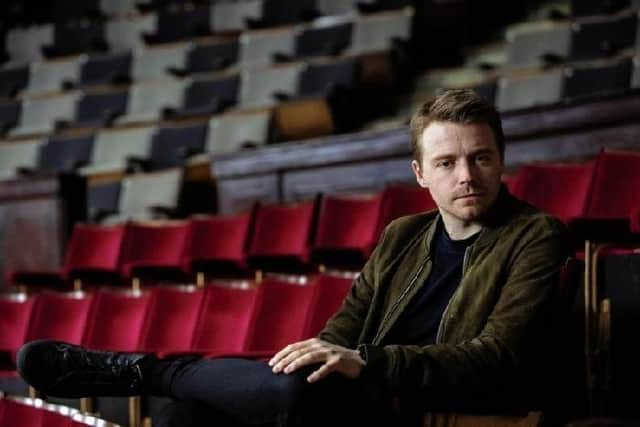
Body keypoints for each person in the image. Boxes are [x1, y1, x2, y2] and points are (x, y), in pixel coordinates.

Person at [16, 89, 569, 427]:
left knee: (280, 395)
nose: (466, 175)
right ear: (421, 174)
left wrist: (368, 363)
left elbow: (494, 357)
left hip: (442, 402)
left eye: (480, 158)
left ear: (502, 161)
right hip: (371, 396)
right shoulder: (404, 235)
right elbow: (344, 328)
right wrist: (327, 360)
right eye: (447, 162)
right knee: (186, 413)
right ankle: (160, 378)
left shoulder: (535, 235)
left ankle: (149, 370)